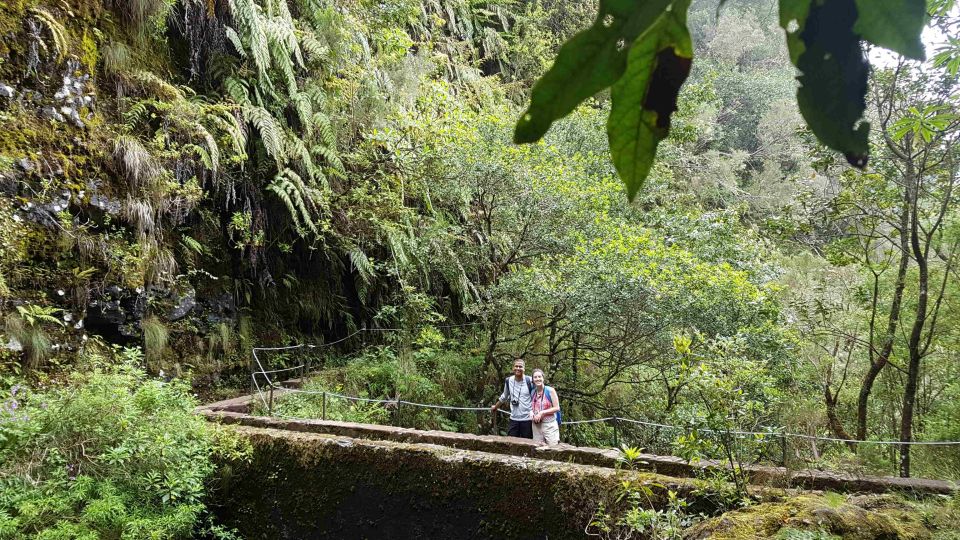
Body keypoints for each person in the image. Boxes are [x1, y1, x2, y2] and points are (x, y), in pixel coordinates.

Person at [491, 358, 533, 439]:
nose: (518, 368)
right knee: (511, 442)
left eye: (520, 366)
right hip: (514, 418)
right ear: (513, 368)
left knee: (527, 444)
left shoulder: (530, 381)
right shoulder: (508, 380)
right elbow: (504, 396)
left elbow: (536, 397)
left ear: (524, 369)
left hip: (527, 419)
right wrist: (496, 407)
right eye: (516, 366)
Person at [530, 369, 560, 446]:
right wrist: (531, 413)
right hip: (536, 425)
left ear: (543, 378)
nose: (537, 379)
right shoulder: (533, 392)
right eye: (535, 377)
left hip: (549, 425)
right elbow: (531, 406)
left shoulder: (550, 390)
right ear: (533, 380)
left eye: (539, 376)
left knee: (552, 447)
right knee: (538, 448)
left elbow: (557, 408)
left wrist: (542, 412)